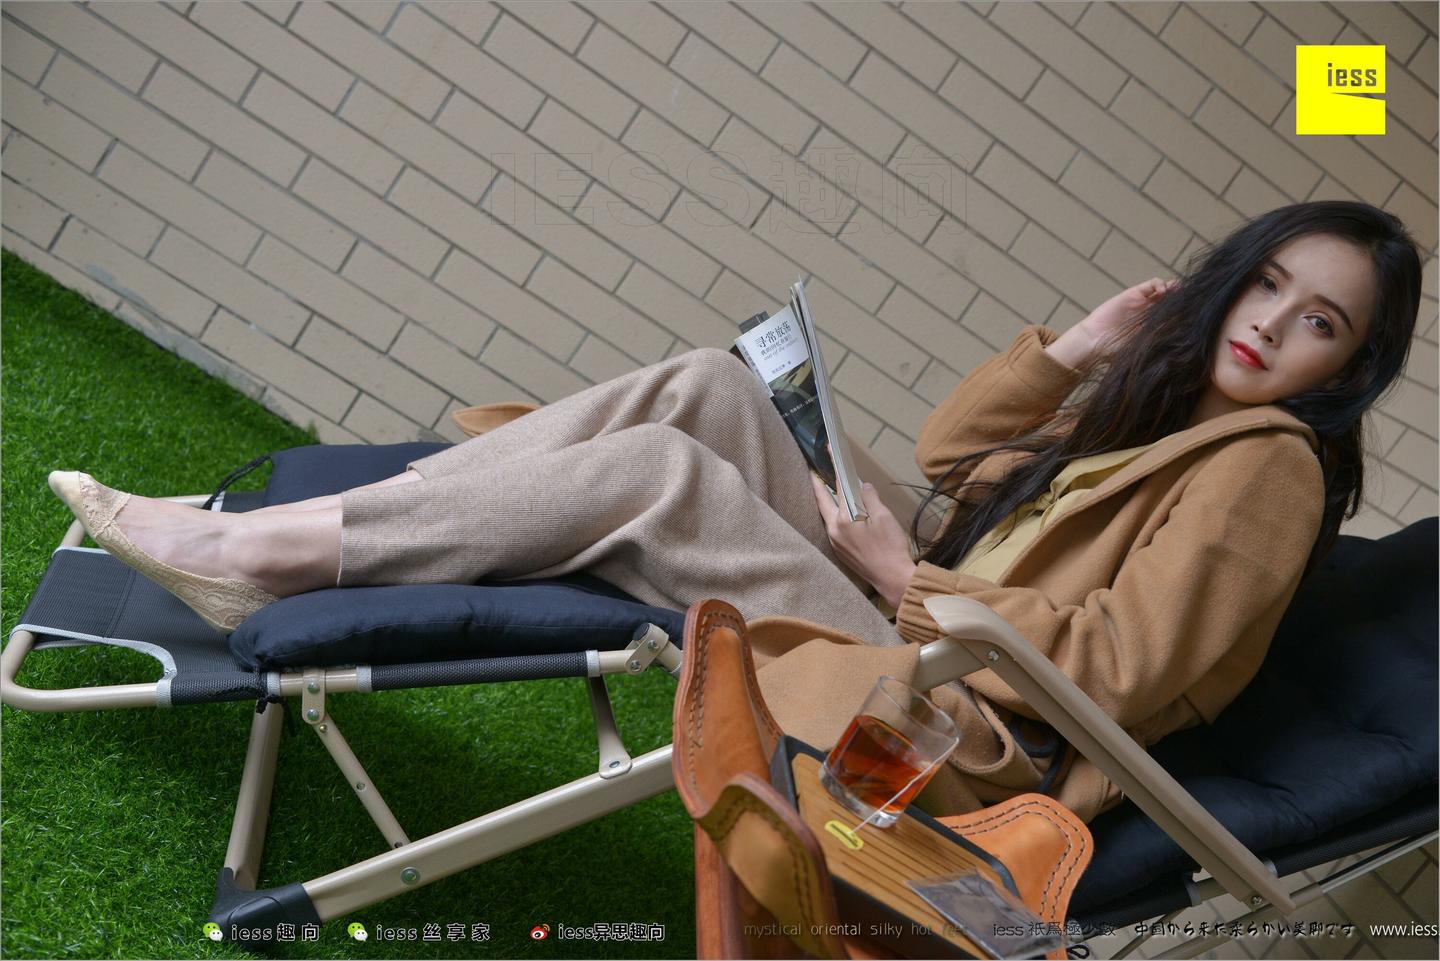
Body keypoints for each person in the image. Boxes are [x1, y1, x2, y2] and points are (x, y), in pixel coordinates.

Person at [49, 201, 1422, 820]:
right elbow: (956, 460)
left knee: (664, 475)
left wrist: (908, 579)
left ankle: (260, 557)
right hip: (920, 609)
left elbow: (1120, 670)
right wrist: (1081, 351)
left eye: (1318, 321)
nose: (1269, 323)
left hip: (955, 722)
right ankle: (348, 528)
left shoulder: (1270, 468)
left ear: (1343, 369)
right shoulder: (1169, 409)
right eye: (1265, 283)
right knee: (714, 386)